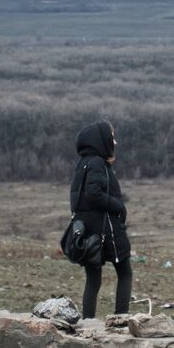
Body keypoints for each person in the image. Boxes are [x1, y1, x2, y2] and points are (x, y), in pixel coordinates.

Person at [71, 120, 132, 319]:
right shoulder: (97, 163)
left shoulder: (83, 162)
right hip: (107, 228)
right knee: (125, 272)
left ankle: (88, 322)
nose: (115, 142)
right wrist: (119, 206)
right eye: (112, 137)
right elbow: (94, 194)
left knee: (93, 278)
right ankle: (120, 318)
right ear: (102, 140)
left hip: (88, 230)